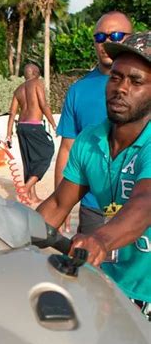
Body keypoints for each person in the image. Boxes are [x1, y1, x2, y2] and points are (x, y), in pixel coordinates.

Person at [38, 32, 151, 316]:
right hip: (113, 287)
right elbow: (57, 205)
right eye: (116, 77)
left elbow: (145, 202)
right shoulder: (90, 140)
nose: (121, 88)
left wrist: (99, 239)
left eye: (136, 81)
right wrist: (12, 232)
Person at [55, 12, 133, 232]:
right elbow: (67, 149)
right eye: (100, 37)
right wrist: (62, 207)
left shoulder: (146, 87)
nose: (106, 42)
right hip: (95, 208)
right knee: (92, 266)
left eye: (116, 35)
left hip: (141, 205)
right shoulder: (78, 91)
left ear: (132, 38)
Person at [6, 62, 56, 205]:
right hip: (34, 126)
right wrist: (53, 123)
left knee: (29, 161)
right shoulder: (37, 83)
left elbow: (12, 113)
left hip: (21, 127)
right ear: (36, 73)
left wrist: (8, 134)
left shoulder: (18, 89)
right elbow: (43, 103)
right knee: (47, 152)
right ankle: (25, 188)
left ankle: (32, 197)